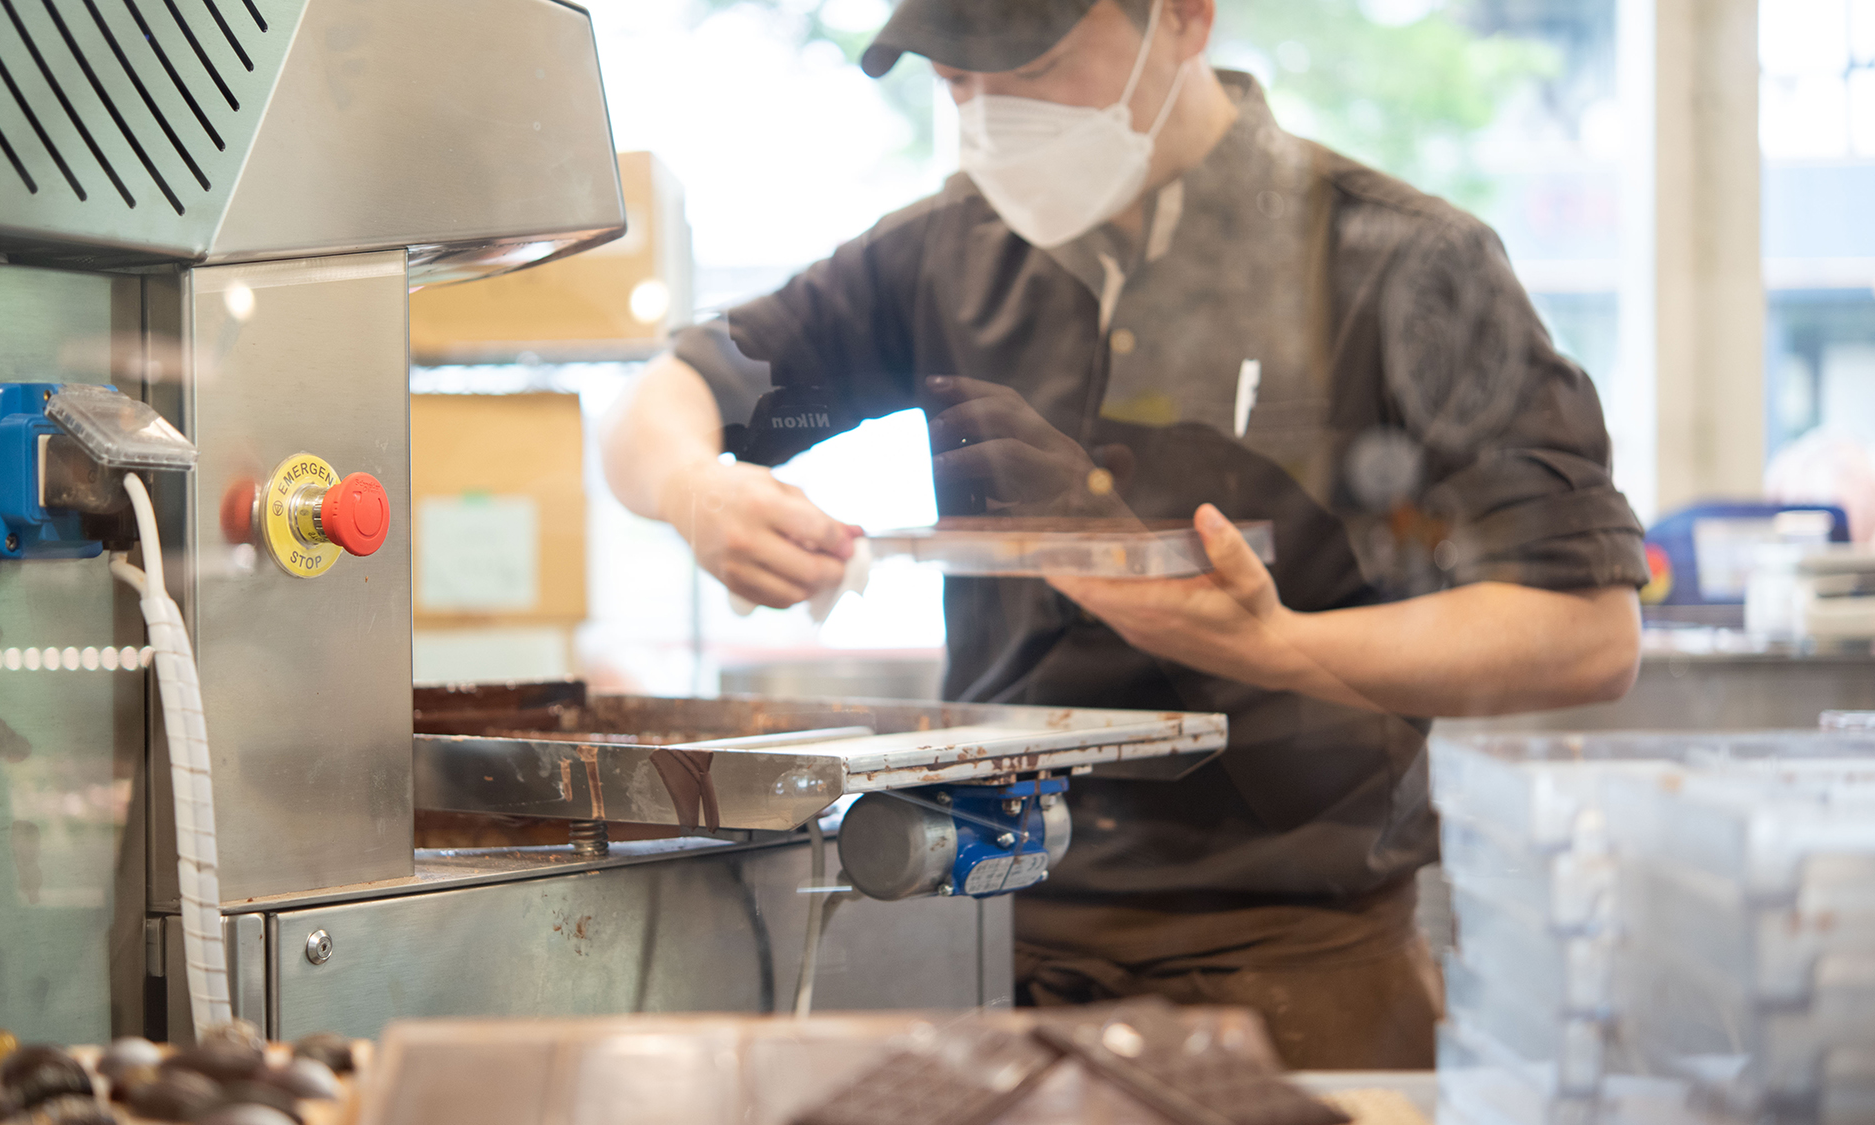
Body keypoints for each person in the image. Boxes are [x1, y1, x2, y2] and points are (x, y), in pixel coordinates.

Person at [602, 0, 1648, 1068]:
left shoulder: (1401, 264)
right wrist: (696, 490)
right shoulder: (943, 255)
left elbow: (1585, 631)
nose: (984, 112)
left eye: (1025, 65)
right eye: (952, 78)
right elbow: (666, 400)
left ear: (1184, 20)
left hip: (1294, 973)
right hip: (979, 946)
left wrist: (1277, 649)